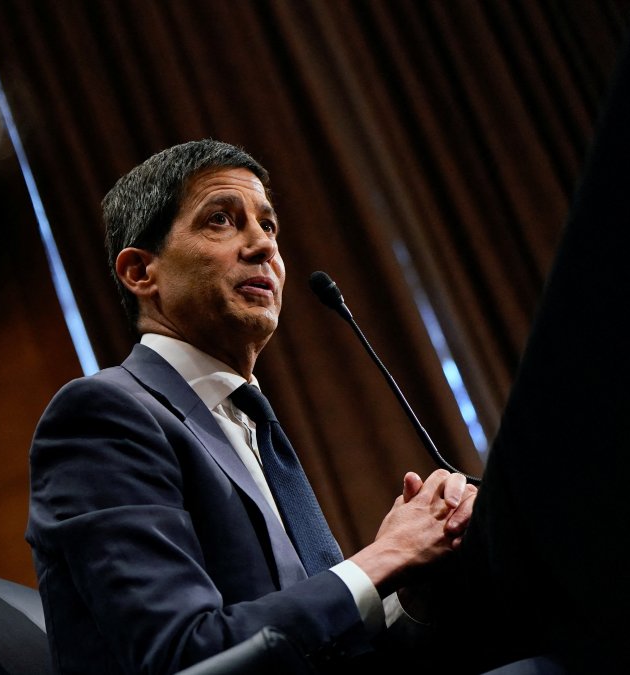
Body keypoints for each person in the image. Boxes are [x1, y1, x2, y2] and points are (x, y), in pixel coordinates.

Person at [25, 139, 479, 674]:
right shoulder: (103, 416)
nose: (263, 247)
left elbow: (310, 642)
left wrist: (420, 572)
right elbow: (185, 653)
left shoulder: (246, 423)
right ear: (141, 273)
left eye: (268, 226)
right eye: (220, 219)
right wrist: (386, 557)